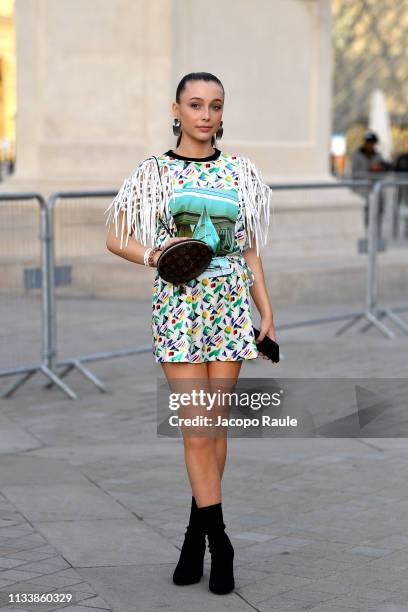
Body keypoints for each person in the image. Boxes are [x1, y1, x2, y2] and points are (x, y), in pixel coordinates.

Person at [105, 72, 276, 596]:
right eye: (196, 104)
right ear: (176, 109)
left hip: (227, 307)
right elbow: (115, 237)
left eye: (215, 106)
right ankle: (220, 541)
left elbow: (248, 250)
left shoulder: (240, 172)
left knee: (216, 431)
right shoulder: (153, 172)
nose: (206, 115)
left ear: (224, 113)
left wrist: (265, 311)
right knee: (197, 430)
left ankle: (192, 534)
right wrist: (154, 254)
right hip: (177, 308)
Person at [348, 130, 392, 233]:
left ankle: (374, 235)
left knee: (377, 212)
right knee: (362, 214)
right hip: (360, 191)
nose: (370, 145)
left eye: (372, 143)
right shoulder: (356, 155)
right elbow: (354, 172)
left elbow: (384, 170)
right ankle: (362, 234)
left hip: (374, 190)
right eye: (369, 142)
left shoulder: (378, 156)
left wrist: (381, 168)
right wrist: (370, 169)